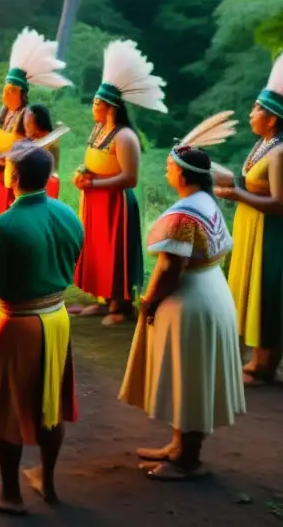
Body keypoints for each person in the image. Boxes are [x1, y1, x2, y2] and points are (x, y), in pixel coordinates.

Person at [120, 119, 245, 481]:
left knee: (189, 376)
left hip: (191, 300)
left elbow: (170, 269)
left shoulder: (182, 215)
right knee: (190, 376)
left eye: (169, 167)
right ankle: (179, 446)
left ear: (181, 174)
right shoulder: (205, 201)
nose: (166, 170)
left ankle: (188, 460)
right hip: (211, 292)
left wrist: (149, 301)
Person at [0, 143, 83, 514]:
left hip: (17, 324)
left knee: (7, 411)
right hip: (57, 318)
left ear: (12, 177)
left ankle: (10, 494)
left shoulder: (2, 226)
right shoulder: (68, 214)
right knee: (51, 403)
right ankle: (47, 482)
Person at [74, 40, 166, 326]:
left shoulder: (125, 137)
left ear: (110, 107)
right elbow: (95, 161)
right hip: (94, 199)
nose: (93, 106)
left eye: (96, 103)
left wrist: (94, 185)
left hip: (115, 202)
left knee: (115, 251)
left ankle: (120, 305)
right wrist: (83, 172)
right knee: (96, 249)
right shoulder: (99, 129)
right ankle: (102, 300)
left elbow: (130, 177)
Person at [216, 53, 283, 385]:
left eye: (256, 110)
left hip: (271, 233)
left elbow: (280, 204)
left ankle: (265, 365)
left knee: (268, 291)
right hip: (250, 226)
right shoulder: (263, 144)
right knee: (250, 288)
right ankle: (256, 359)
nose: (250, 114)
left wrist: (237, 195)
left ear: (272, 119)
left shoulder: (280, 152)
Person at [0, 28, 71, 241]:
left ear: (22, 93)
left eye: (12, 90)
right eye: (6, 88)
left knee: (8, 226)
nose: (6, 93)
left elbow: (25, 147)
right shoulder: (4, 114)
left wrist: (1, 164)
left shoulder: (26, 116)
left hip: (11, 173)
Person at [24, 103, 63, 199]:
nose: (25, 125)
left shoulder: (50, 140)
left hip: (47, 185)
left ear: (39, 123)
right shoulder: (32, 139)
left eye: (28, 122)